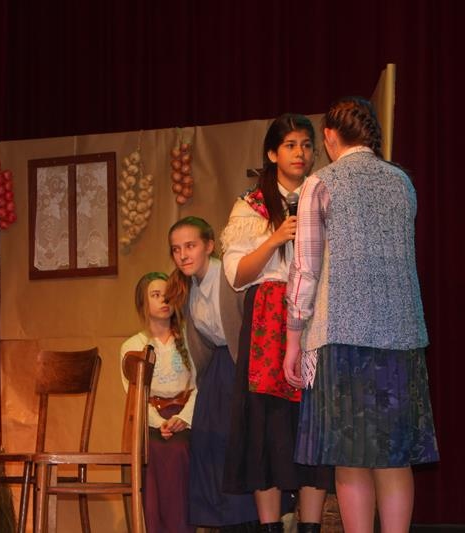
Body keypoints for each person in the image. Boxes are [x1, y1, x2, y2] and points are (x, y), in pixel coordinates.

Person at [284, 97, 439, 533]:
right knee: (394, 458)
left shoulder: (320, 183)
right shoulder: (401, 183)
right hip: (401, 335)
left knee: (351, 460)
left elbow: (305, 269)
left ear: (330, 136)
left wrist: (293, 338)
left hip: (341, 337)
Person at [221, 113, 333, 533]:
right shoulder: (250, 206)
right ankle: (269, 527)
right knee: (264, 427)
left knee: (310, 423)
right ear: (272, 153)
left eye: (306, 144)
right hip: (266, 320)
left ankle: (310, 526)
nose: (299, 153)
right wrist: (274, 238)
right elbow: (236, 276)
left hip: (314, 315)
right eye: (289, 145)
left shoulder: (324, 196)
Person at [165, 216, 260, 532]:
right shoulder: (189, 288)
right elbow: (199, 350)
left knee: (237, 444)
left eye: (190, 246)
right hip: (217, 371)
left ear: (208, 246)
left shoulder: (229, 277)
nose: (183, 255)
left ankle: (250, 520)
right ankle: (224, 521)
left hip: (242, 366)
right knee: (208, 443)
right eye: (176, 249)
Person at [120, 271, 196, 533]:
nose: (164, 300)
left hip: (187, 418)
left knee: (180, 450)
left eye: (168, 295)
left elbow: (201, 385)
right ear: (143, 302)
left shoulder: (189, 338)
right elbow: (134, 395)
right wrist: (158, 422)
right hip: (150, 421)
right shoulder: (133, 345)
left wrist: (184, 418)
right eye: (155, 295)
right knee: (151, 451)